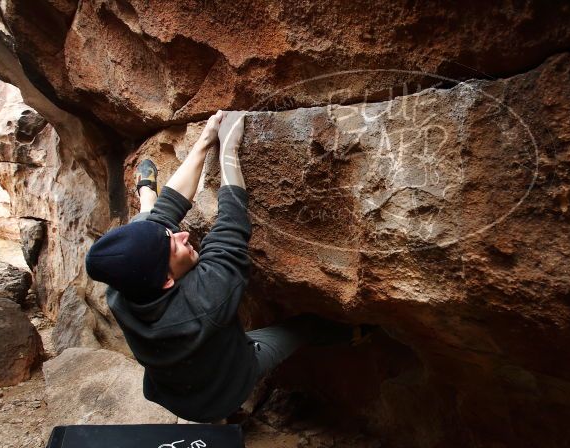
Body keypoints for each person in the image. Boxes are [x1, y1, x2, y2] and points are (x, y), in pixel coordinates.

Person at [85, 111, 373, 423]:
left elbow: (167, 215)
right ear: (167, 280)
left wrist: (205, 140)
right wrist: (228, 149)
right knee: (303, 327)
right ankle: (363, 331)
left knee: (150, 218)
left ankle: (146, 197)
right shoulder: (206, 299)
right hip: (222, 393)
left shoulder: (122, 288)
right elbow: (232, 219)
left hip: (171, 389)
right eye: (174, 244)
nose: (184, 235)